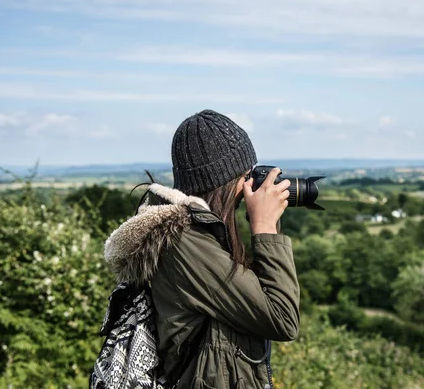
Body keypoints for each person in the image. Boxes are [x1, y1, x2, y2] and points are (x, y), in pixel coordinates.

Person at [104, 110, 300, 389]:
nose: (250, 187)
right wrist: (265, 227)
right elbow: (282, 318)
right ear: (223, 181)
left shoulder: (202, 238)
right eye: (247, 176)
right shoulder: (185, 244)